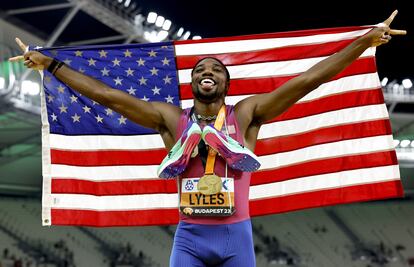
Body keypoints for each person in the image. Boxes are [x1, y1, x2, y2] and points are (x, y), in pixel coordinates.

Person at [9, 10, 406, 267]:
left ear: (225, 83)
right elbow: (110, 97)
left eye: (215, 67)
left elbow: (306, 81)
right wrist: (52, 65)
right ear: (193, 82)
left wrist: (362, 43)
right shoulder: (169, 117)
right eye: (200, 68)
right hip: (190, 238)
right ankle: (190, 149)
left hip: (237, 237)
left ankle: (219, 146)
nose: (207, 70)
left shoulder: (246, 113)